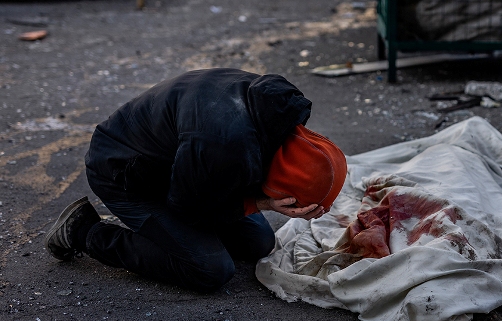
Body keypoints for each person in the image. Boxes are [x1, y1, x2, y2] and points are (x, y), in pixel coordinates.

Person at [44, 68, 347, 293]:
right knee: (210, 269)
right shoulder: (224, 147)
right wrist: (261, 202)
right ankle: (82, 230)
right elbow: (188, 209)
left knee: (259, 242)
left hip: (178, 163)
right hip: (122, 172)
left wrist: (252, 201)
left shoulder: (278, 107)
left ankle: (176, 235)